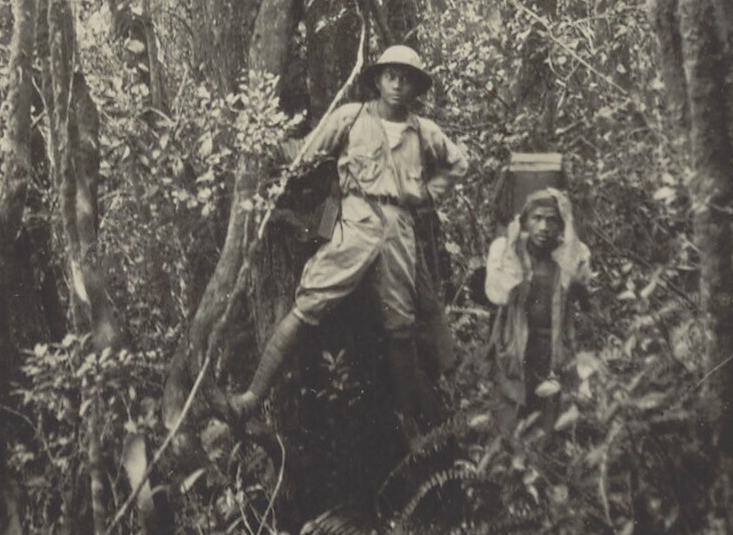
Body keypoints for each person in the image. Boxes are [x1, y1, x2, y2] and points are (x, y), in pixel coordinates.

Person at [229, 45, 468, 443]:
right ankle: (253, 396)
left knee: (400, 325)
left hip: (398, 227)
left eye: (406, 78)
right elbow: (304, 154)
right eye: (391, 75)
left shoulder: (423, 131)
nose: (397, 84)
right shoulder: (352, 116)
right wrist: (265, 140)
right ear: (378, 80)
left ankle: (411, 426)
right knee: (309, 302)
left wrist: (428, 193)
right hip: (354, 220)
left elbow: (458, 163)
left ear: (415, 87)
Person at [484, 187, 591, 432]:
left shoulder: (572, 253)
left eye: (552, 220)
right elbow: (499, 295)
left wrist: (569, 223)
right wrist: (511, 247)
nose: (544, 227)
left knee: (548, 432)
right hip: (513, 352)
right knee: (509, 430)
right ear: (525, 221)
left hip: (553, 354)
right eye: (537, 218)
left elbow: (578, 277)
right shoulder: (504, 249)